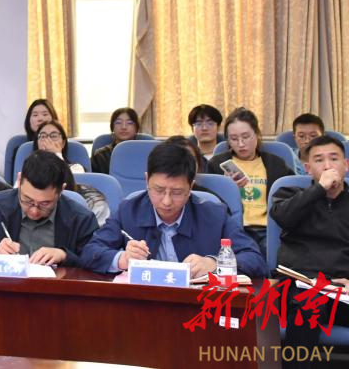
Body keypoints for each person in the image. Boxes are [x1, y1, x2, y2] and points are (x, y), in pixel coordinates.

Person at [80, 142, 267, 277]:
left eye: (177, 192)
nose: (166, 201)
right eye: (159, 190)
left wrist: (214, 263)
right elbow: (90, 252)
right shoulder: (129, 211)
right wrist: (122, 258)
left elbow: (255, 260)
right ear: (146, 180)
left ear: (191, 187)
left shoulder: (214, 215)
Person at [270, 134, 349, 365]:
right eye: (319, 160)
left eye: (334, 158)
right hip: (300, 286)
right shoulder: (288, 194)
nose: (327, 166)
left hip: (342, 289)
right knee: (309, 306)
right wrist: (320, 189)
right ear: (307, 168)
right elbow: (284, 218)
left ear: (346, 164)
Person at [0, 151, 97, 265]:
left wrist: (64, 255)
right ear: (19, 181)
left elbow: (97, 260)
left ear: (61, 190)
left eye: (45, 204)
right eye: (27, 200)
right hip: (7, 288)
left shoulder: (80, 218)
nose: (34, 211)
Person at [206, 106, 292, 253]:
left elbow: (290, 199)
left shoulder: (276, 164)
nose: (240, 144)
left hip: (267, 230)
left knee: (272, 253)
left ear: (257, 134)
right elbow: (208, 204)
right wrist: (227, 189)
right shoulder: (217, 164)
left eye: (246, 137)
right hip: (233, 229)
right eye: (234, 139)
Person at [33, 120, 111, 225]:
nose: (48, 141)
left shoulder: (76, 168)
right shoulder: (28, 172)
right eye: (43, 136)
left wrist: (56, 154)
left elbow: (69, 187)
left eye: (53, 136)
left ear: (63, 143)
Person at [89, 107, 140, 175]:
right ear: (112, 127)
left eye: (129, 123)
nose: (124, 127)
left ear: (136, 128)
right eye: (118, 123)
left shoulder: (146, 153)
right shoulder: (100, 156)